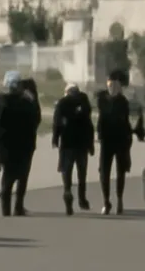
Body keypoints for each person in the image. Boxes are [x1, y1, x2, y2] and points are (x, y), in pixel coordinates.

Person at [0, 70, 41, 217]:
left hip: (7, 147)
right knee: (22, 177)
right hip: (24, 146)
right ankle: (18, 206)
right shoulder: (26, 102)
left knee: (8, 178)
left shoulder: (0, 101)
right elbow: (36, 120)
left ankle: (7, 209)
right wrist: (34, 99)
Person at [96, 69, 135, 215]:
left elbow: (123, 120)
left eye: (115, 85)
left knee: (120, 171)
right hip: (106, 140)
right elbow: (104, 114)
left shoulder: (123, 101)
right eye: (110, 84)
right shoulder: (102, 99)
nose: (112, 87)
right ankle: (106, 201)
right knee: (104, 172)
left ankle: (119, 199)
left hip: (120, 139)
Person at [52, 83, 95, 215]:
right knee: (82, 175)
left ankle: (68, 197)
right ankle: (82, 200)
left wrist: (55, 139)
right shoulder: (84, 103)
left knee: (67, 174)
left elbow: (57, 123)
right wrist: (90, 144)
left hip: (67, 145)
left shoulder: (62, 104)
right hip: (82, 145)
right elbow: (89, 126)